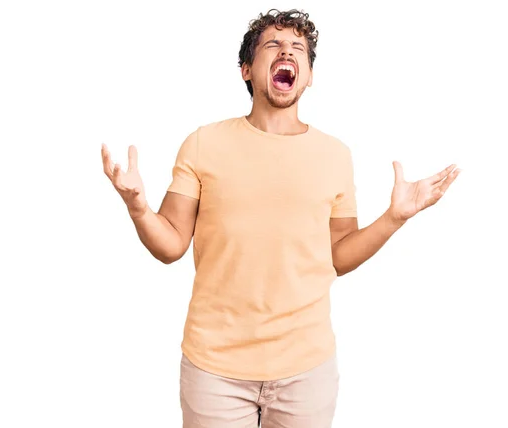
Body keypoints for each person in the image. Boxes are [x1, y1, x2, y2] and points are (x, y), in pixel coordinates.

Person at [101, 8, 460, 428]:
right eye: (272, 45)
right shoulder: (203, 144)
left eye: (298, 49)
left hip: (305, 371)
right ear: (246, 70)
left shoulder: (334, 155)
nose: (286, 50)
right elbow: (171, 245)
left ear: (308, 76)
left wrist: (394, 218)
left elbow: (338, 256)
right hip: (214, 369)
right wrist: (139, 207)